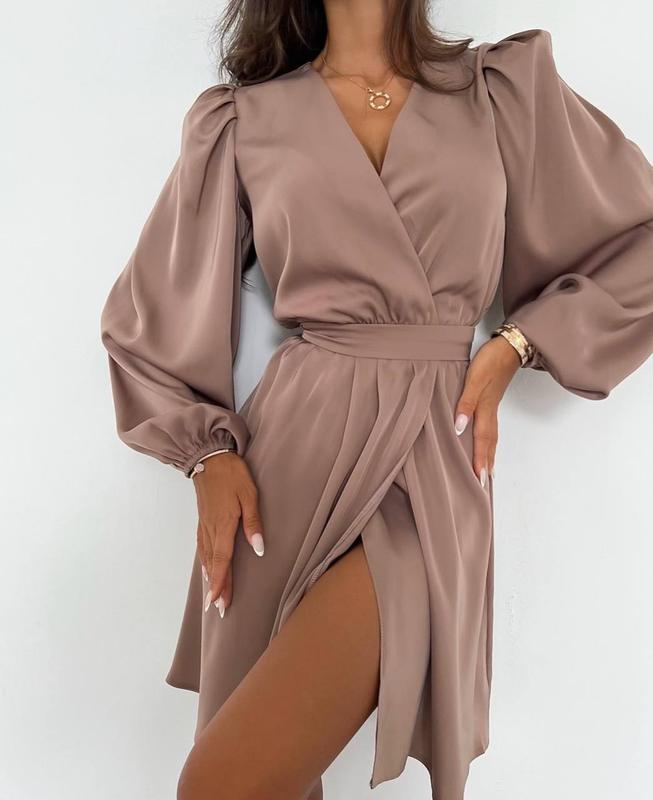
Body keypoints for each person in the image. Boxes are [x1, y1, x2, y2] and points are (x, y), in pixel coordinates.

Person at [99, 2, 653, 798]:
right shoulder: (243, 120)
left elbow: (639, 244)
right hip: (284, 473)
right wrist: (205, 457)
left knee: (218, 785)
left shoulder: (499, 91)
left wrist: (516, 343)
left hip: (430, 463)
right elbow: (148, 318)